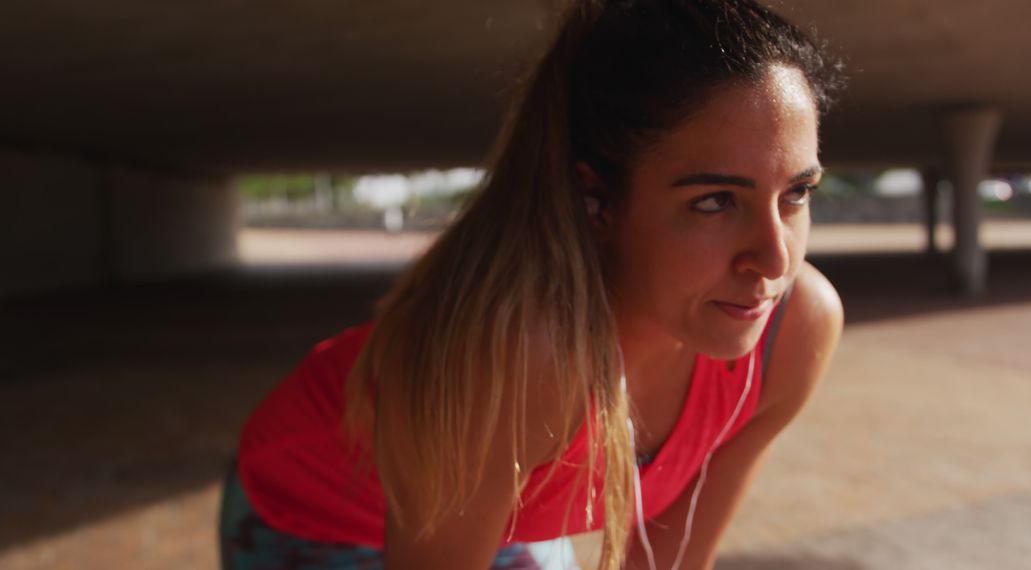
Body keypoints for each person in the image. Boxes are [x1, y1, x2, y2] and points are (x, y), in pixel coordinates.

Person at [219, 0, 845, 568]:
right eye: (715, 201)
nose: (773, 258)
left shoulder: (794, 331)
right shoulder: (519, 353)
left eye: (796, 194)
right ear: (595, 199)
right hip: (315, 519)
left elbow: (668, 563)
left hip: (499, 513)